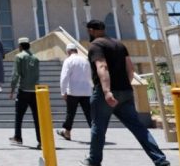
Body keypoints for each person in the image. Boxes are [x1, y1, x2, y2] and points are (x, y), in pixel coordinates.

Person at [79, 20, 170, 166]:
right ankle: (160, 159)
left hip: (106, 94)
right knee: (138, 127)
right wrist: (125, 86)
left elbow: (102, 66)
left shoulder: (96, 46)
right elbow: (131, 68)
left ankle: (93, 161)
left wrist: (107, 91)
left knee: (98, 127)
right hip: (126, 92)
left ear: (91, 30)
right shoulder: (119, 44)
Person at [9, 37, 41, 148]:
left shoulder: (19, 57)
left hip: (23, 90)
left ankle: (18, 137)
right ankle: (41, 140)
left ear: (20, 46)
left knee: (19, 115)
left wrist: (12, 89)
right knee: (37, 116)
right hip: (35, 91)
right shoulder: (35, 58)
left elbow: (16, 74)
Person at [56, 43, 92, 141]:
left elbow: (64, 77)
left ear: (68, 51)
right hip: (86, 91)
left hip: (73, 91)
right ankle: (97, 133)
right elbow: (89, 76)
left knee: (70, 113)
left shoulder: (68, 60)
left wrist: (63, 92)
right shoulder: (85, 60)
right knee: (89, 114)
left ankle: (67, 133)